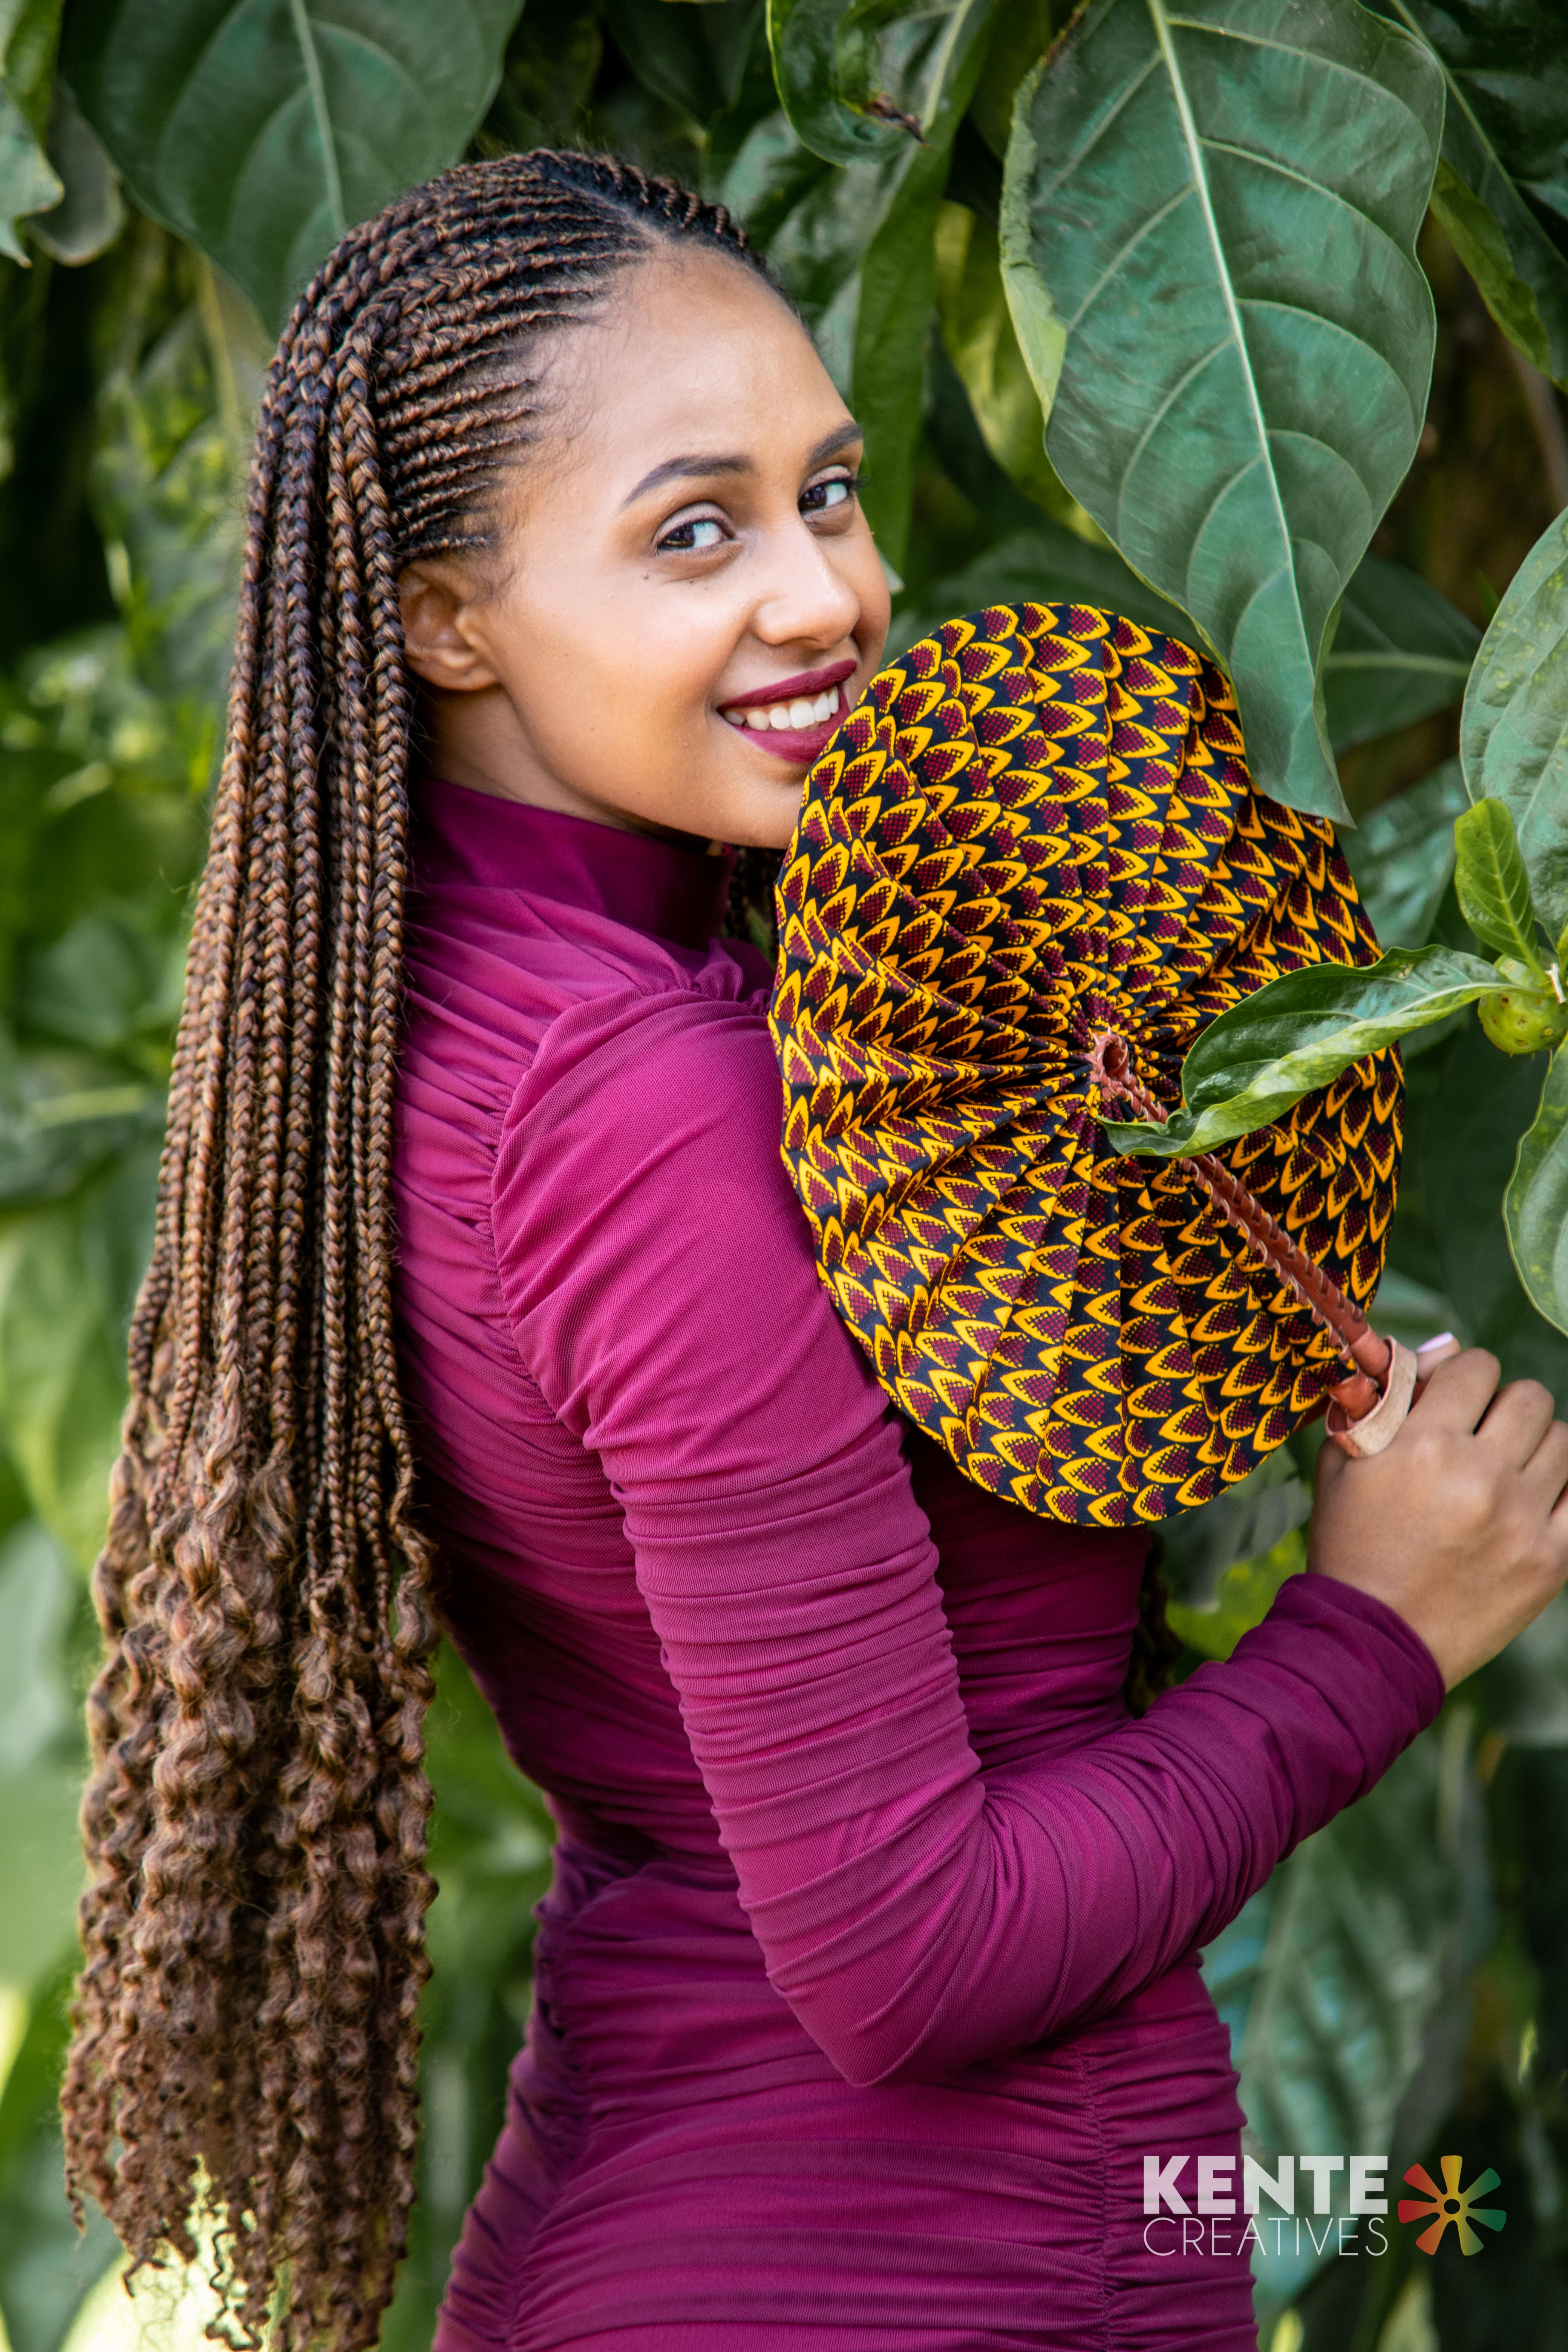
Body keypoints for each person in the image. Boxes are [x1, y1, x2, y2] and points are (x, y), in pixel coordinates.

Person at [62, 150, 1568, 2352]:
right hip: (879, 2275)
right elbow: (908, 1956)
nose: (825, 594)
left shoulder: (499, 1020)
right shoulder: (641, 1112)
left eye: (831, 494)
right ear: (445, 617)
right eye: (698, 531)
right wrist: (1375, 1632)